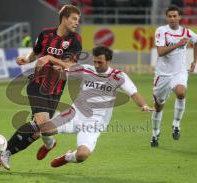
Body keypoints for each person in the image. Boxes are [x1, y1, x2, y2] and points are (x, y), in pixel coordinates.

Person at [0, 4, 82, 172]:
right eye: (74, 19)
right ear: (64, 18)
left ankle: (3, 154)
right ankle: (4, 154)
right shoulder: (45, 34)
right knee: (41, 122)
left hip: (56, 89)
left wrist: (50, 59)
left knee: (39, 130)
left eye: (78, 20)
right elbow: (34, 53)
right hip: (37, 84)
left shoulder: (75, 40)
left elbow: (70, 64)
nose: (77, 22)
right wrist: (26, 60)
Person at [31, 46, 153, 167]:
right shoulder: (86, 69)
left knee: (81, 155)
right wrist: (56, 70)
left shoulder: (118, 76)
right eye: (95, 61)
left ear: (109, 61)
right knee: (44, 130)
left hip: (94, 123)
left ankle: (67, 157)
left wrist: (144, 105)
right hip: (74, 114)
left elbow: (134, 93)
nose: (96, 65)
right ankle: (50, 144)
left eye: (100, 62)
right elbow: (64, 73)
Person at [150, 5, 197, 147]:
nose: (172, 18)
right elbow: (160, 52)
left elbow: (196, 42)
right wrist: (178, 44)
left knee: (181, 93)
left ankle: (176, 124)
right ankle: (155, 134)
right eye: (169, 16)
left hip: (179, 72)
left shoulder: (187, 32)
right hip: (162, 75)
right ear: (166, 18)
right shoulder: (162, 31)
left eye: (174, 16)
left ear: (179, 17)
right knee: (158, 107)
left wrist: (194, 61)